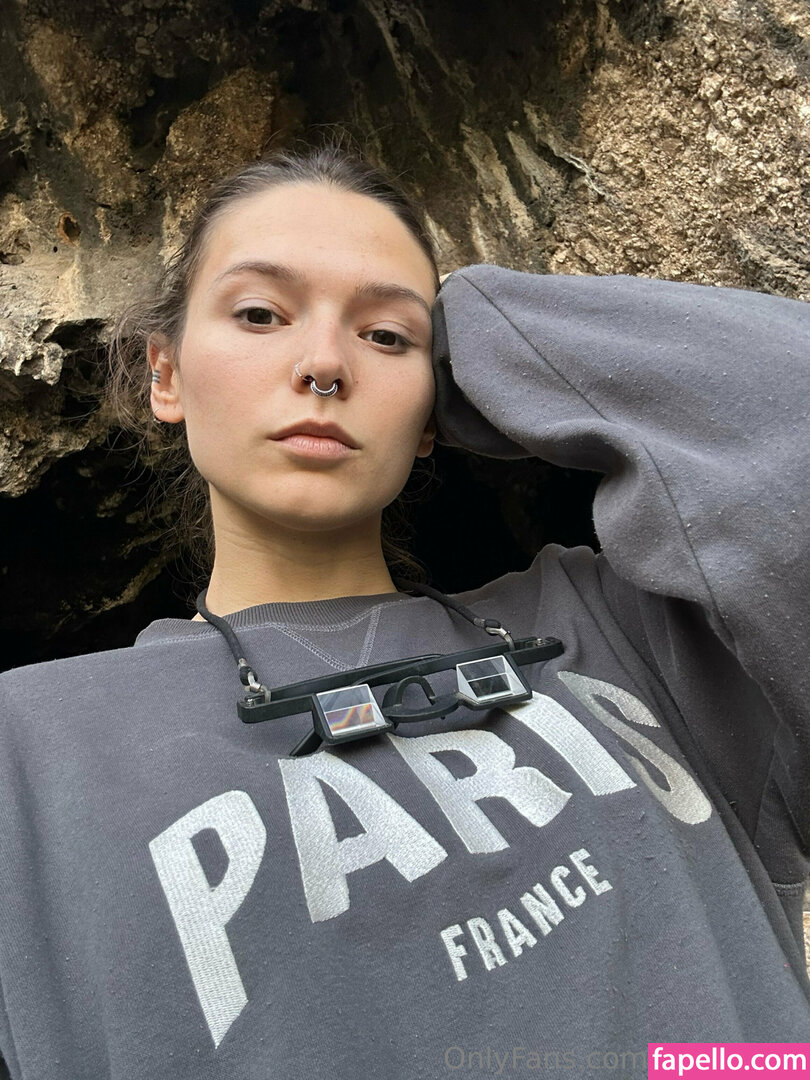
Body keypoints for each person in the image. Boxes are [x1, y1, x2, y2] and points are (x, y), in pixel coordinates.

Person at [0, 141, 808, 1080]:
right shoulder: (31, 749)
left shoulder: (631, 630)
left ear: (435, 408)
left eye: (386, 337)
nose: (323, 365)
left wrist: (488, 324)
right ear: (166, 374)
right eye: (260, 313)